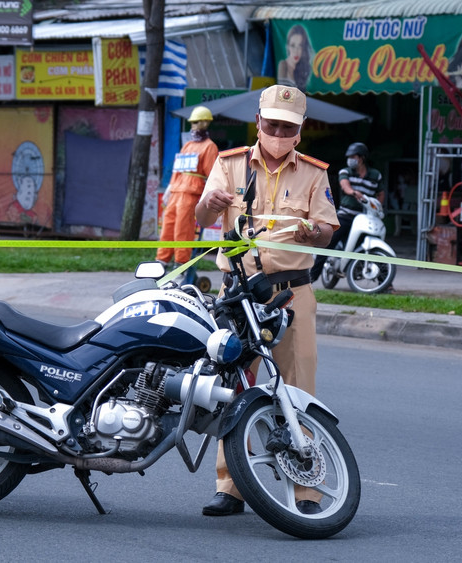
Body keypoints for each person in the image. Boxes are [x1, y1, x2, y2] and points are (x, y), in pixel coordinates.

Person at [195, 85, 338, 516]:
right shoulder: (229, 164)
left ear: (300, 130)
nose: (278, 134)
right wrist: (210, 202)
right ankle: (230, 486)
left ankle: (307, 490)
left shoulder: (313, 173)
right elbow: (202, 216)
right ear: (258, 122)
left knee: (298, 388)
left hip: (292, 292)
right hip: (237, 293)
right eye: (272, 125)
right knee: (233, 388)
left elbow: (327, 231)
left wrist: (314, 232)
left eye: (287, 128)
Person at [310, 142, 384, 282]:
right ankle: (312, 278)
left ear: (361, 158)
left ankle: (385, 282)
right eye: (349, 157)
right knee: (328, 243)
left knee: (372, 247)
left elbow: (380, 193)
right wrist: (354, 193)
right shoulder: (345, 172)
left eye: (353, 157)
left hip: (365, 219)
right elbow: (345, 186)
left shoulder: (375, 175)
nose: (350, 160)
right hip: (346, 216)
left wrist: (378, 206)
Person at [156, 106, 219, 266]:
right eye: (192, 123)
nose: (193, 126)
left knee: (183, 227)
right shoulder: (187, 145)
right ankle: (162, 259)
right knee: (168, 225)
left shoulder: (209, 146)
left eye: (197, 122)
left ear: (206, 123)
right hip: (176, 190)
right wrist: (170, 188)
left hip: (191, 193)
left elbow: (212, 174)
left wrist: (209, 196)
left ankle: (180, 262)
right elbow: (177, 169)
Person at [277, 25, 313, 92]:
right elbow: (282, 94)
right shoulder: (283, 65)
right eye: (293, 45)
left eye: (300, 46)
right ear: (288, 47)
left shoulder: (302, 69)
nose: (296, 51)